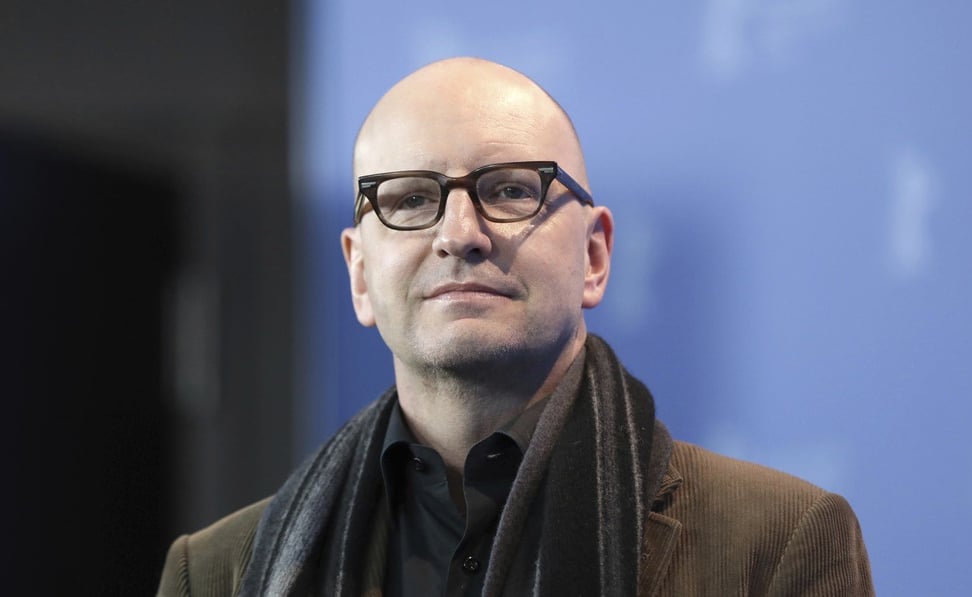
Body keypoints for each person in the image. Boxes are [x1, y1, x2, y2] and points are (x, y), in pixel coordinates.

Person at [157, 57, 874, 597]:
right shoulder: (216, 572)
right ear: (360, 275)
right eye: (409, 199)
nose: (460, 234)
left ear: (594, 255)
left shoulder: (779, 544)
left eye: (509, 190)